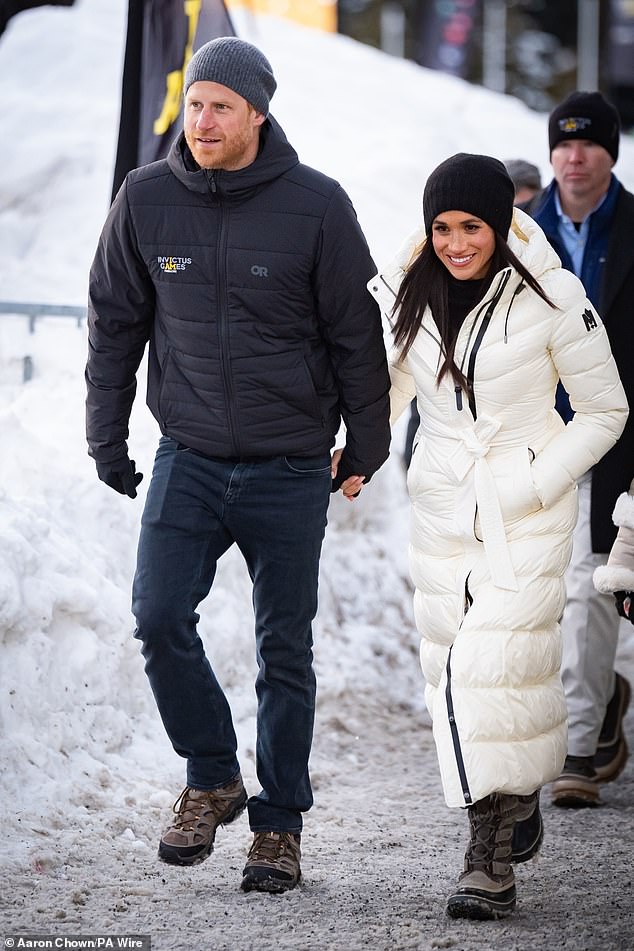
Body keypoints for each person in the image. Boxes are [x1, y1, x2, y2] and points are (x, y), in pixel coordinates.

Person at [85, 36, 391, 894]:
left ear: (258, 111)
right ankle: (213, 773)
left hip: (292, 464)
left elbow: (355, 337)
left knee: (283, 647)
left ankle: (280, 824)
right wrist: (107, 438)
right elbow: (114, 324)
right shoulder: (145, 198)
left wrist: (366, 441)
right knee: (155, 614)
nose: (204, 119)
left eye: (222, 104)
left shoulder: (317, 206)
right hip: (189, 455)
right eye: (195, 103)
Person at [365, 153, 627, 920]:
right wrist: (351, 452)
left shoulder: (551, 295)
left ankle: (487, 857)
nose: (454, 242)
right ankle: (512, 797)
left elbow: (606, 410)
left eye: (470, 226)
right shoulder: (408, 291)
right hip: (443, 505)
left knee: (492, 663)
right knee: (455, 670)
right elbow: (387, 388)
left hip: (528, 505)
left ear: (503, 225)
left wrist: (536, 481)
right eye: (441, 227)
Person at [522, 91, 634, 808]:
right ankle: (595, 706)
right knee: (537, 589)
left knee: (591, 585)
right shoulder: (520, 233)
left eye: (588, 142)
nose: (573, 155)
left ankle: (577, 745)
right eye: (563, 143)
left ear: (610, 152)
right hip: (536, 438)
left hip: (614, 435)